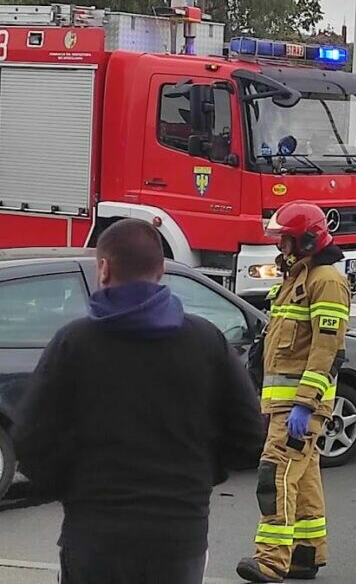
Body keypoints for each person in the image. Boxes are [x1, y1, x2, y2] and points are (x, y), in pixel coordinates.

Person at [13, 218, 265, 584]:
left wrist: (74, 491)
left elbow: (30, 439)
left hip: (95, 537)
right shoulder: (205, 341)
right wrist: (197, 477)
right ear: (162, 271)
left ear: (103, 268)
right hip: (178, 538)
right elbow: (247, 437)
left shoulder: (74, 344)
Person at [237, 201, 350, 583]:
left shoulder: (326, 281)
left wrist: (305, 404)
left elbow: (326, 349)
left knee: (276, 474)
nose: (279, 246)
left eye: (284, 240)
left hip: (300, 405)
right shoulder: (296, 278)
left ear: (305, 239)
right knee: (303, 478)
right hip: (285, 403)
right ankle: (305, 554)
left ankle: (270, 561)